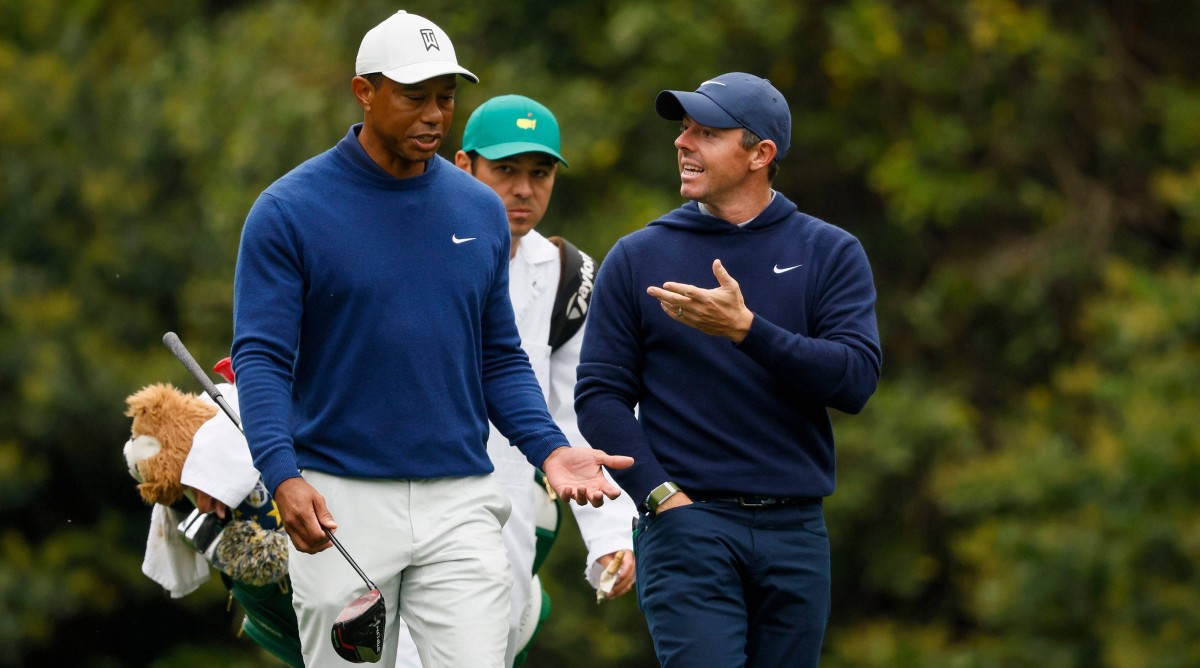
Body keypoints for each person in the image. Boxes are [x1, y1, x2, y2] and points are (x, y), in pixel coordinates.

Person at [230, 11, 632, 667]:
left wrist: (552, 451)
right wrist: (281, 474)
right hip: (339, 499)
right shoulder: (288, 211)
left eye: (446, 98)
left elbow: (498, 358)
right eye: (414, 96)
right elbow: (262, 359)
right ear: (364, 92)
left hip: (461, 501)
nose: (434, 115)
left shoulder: (477, 210)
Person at [574, 72, 883, 667]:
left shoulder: (829, 251)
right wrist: (661, 497)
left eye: (707, 132)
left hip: (796, 532)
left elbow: (854, 381)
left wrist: (748, 331)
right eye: (684, 129)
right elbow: (601, 396)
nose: (682, 143)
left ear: (760, 154)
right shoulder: (638, 255)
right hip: (687, 525)